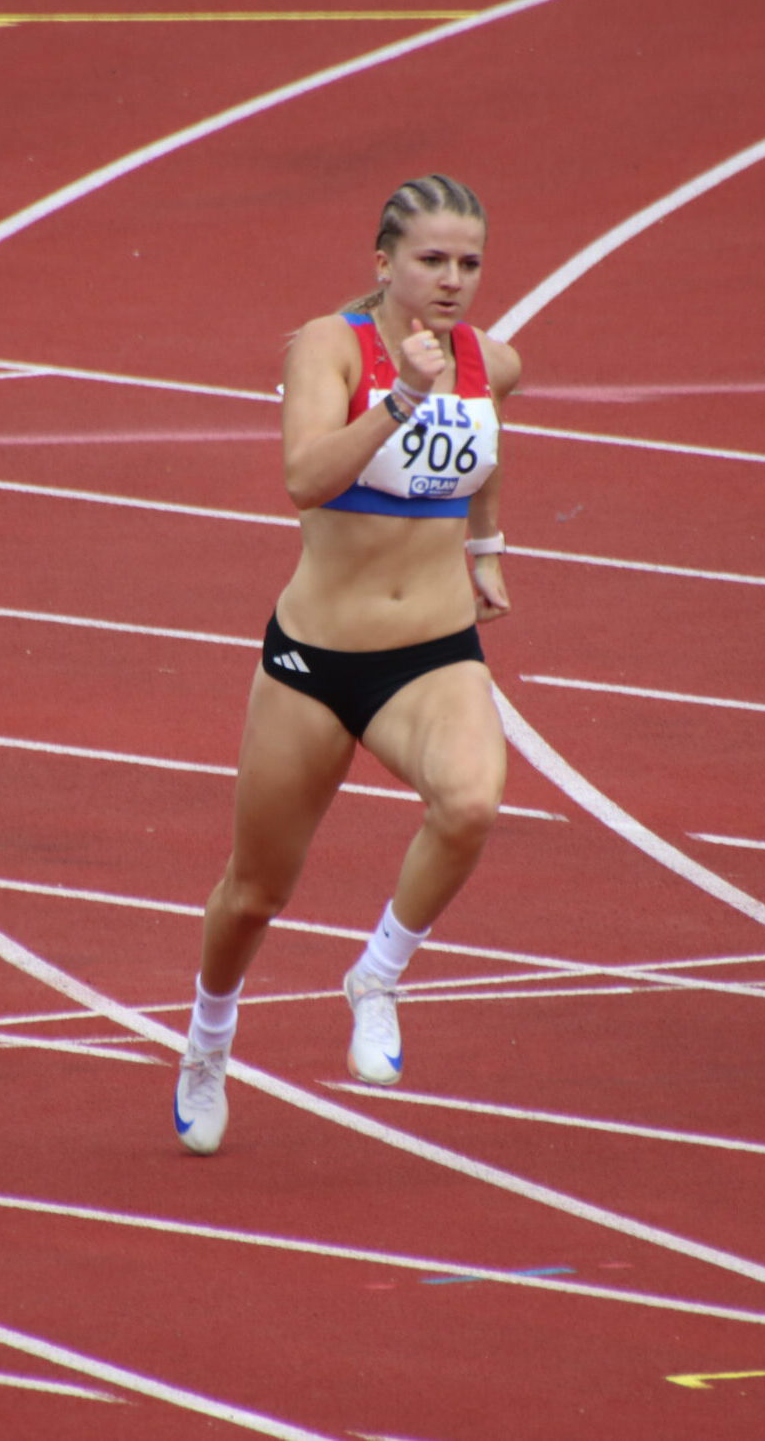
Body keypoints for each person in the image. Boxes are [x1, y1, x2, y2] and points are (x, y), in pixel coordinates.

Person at [174, 173, 521, 1154]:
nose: (452, 279)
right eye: (431, 260)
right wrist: (402, 396)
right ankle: (208, 1040)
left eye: (469, 263)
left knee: (472, 802)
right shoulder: (330, 347)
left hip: (434, 653)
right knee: (254, 893)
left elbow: (487, 447)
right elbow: (303, 477)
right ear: (384, 262)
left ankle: (377, 975)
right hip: (317, 662)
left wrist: (487, 547)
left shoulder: (490, 360)